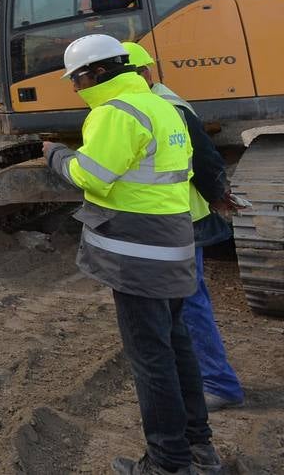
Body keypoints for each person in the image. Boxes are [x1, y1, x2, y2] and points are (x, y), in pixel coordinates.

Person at [42, 34, 221, 475]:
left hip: (137, 255)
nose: (76, 88)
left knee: (151, 359)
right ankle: (200, 448)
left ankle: (168, 463)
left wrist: (56, 156)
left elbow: (93, 176)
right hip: (174, 243)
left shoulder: (114, 113)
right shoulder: (163, 106)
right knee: (177, 347)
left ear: (99, 71)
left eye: (78, 79)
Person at [122, 42, 246, 411]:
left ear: (145, 74)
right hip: (174, 221)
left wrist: (218, 194)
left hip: (181, 221)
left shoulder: (168, 108)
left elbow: (205, 159)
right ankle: (199, 376)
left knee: (189, 303)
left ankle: (220, 384)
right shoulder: (159, 103)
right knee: (181, 303)